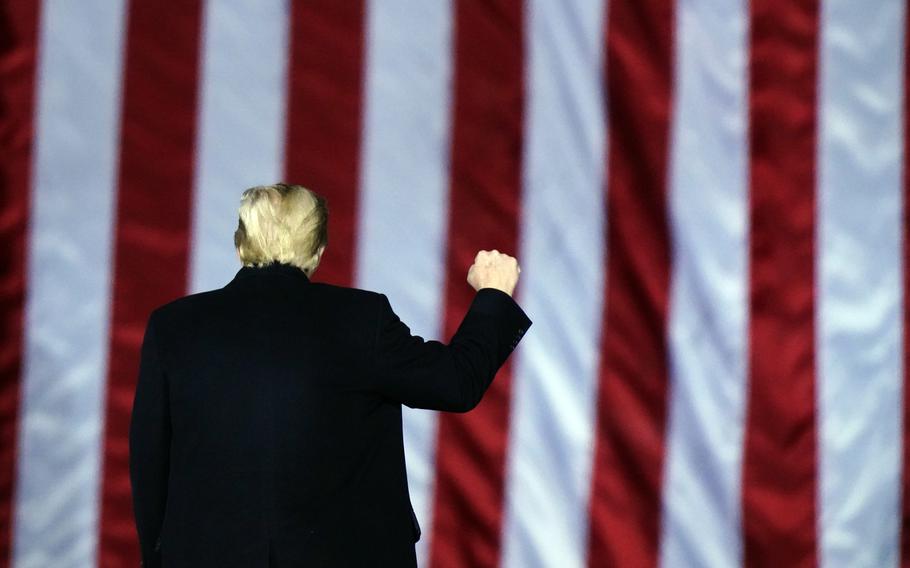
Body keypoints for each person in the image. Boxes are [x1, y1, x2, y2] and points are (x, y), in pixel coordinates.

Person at [128, 183, 531, 567]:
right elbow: (456, 383)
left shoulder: (173, 328)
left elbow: (150, 462)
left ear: (240, 245)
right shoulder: (361, 321)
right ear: (317, 250)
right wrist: (493, 295)